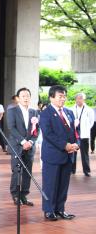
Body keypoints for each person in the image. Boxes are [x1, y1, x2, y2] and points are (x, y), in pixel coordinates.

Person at [40, 85, 78, 221]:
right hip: (53, 155)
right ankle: (49, 210)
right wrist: (65, 145)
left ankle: (60, 209)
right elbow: (48, 134)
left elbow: (74, 131)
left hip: (68, 155)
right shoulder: (45, 113)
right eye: (60, 96)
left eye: (64, 96)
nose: (63, 99)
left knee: (63, 185)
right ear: (51, 97)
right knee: (50, 184)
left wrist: (75, 144)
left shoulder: (69, 112)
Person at [7, 87, 38, 206]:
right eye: (23, 96)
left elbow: (37, 130)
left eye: (28, 96)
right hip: (17, 145)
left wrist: (31, 142)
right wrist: (23, 141)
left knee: (27, 171)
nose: (26, 98)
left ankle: (24, 195)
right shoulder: (12, 110)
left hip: (29, 147)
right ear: (18, 98)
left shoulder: (34, 112)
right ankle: (15, 195)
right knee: (16, 170)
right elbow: (11, 128)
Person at [70, 93, 94, 176]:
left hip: (84, 135)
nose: (79, 100)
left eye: (81, 98)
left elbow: (91, 122)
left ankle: (86, 171)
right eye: (77, 98)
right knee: (73, 152)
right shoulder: (71, 109)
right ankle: (72, 169)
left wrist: (86, 129)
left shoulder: (89, 110)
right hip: (74, 134)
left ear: (84, 100)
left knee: (85, 154)